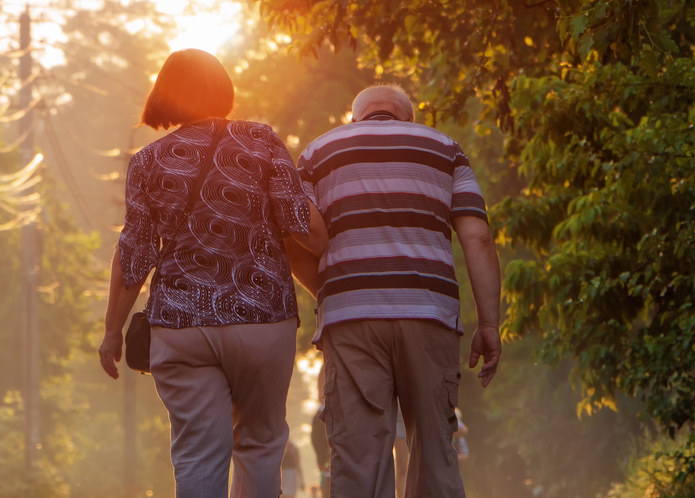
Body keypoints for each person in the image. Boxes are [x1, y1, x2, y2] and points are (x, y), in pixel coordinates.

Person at [97, 48, 328, 498]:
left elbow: (134, 254)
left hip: (182, 325)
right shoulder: (260, 141)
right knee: (260, 445)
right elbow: (305, 230)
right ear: (222, 88)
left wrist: (112, 333)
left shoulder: (147, 162)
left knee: (199, 454)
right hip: (262, 319)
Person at [295, 84, 502, 498]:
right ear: (406, 117)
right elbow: (476, 237)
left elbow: (294, 237)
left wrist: (333, 294)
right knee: (434, 451)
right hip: (429, 315)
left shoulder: (317, 154)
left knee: (357, 456)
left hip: (350, 320)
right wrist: (488, 322)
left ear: (355, 118)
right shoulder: (444, 149)